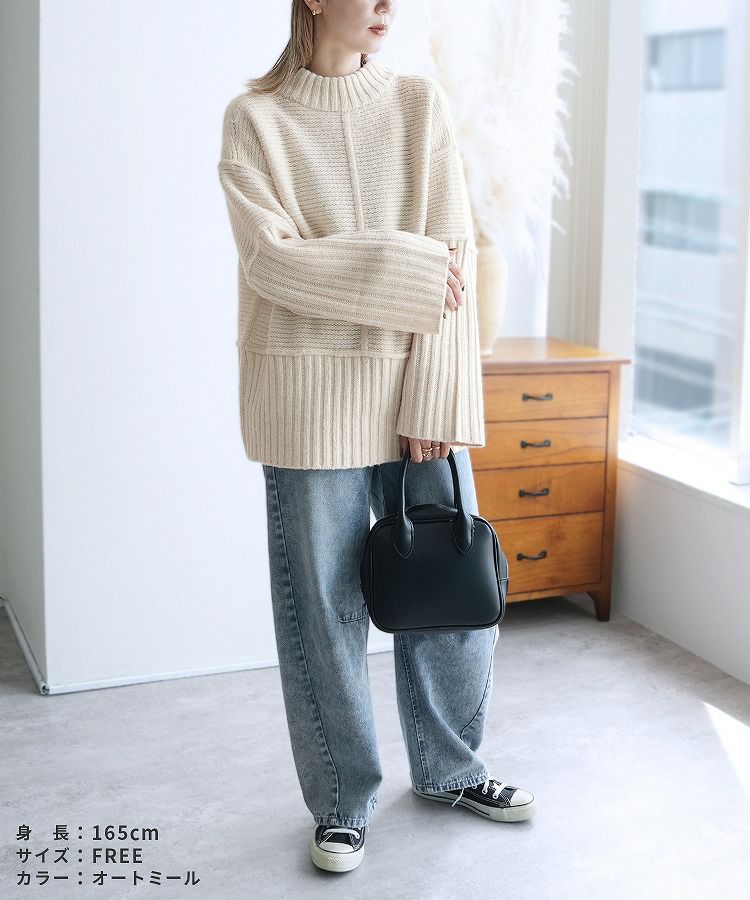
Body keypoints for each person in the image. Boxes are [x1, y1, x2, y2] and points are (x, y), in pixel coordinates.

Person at [217, 0, 536, 874]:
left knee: (452, 584)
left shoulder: (417, 105)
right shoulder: (254, 120)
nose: (390, 4)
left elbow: (454, 255)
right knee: (321, 611)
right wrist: (410, 266)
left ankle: (451, 769)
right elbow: (272, 262)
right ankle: (341, 800)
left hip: (414, 395)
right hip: (304, 400)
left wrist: (435, 397)